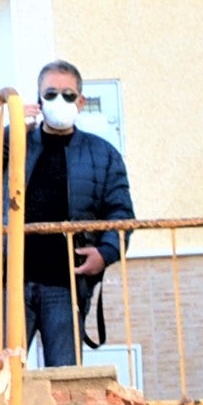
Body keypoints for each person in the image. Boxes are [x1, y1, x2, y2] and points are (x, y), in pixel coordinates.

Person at [22, 61, 132, 367]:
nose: (60, 101)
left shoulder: (102, 153)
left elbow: (121, 213)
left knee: (66, 382)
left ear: (81, 102)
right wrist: (10, 132)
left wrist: (106, 252)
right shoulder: (15, 144)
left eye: (69, 95)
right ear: (39, 99)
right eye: (52, 93)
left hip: (66, 286)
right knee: (1, 381)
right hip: (12, 284)